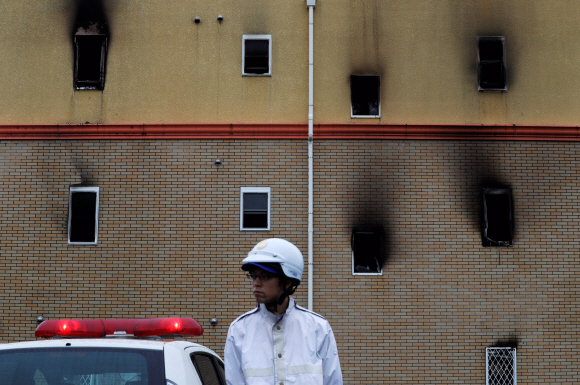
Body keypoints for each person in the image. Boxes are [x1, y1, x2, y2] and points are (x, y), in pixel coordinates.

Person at [225, 238, 343, 385]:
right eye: (253, 276)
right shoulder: (238, 330)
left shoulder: (318, 328)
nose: (256, 283)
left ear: (288, 282)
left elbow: (333, 381)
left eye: (265, 276)